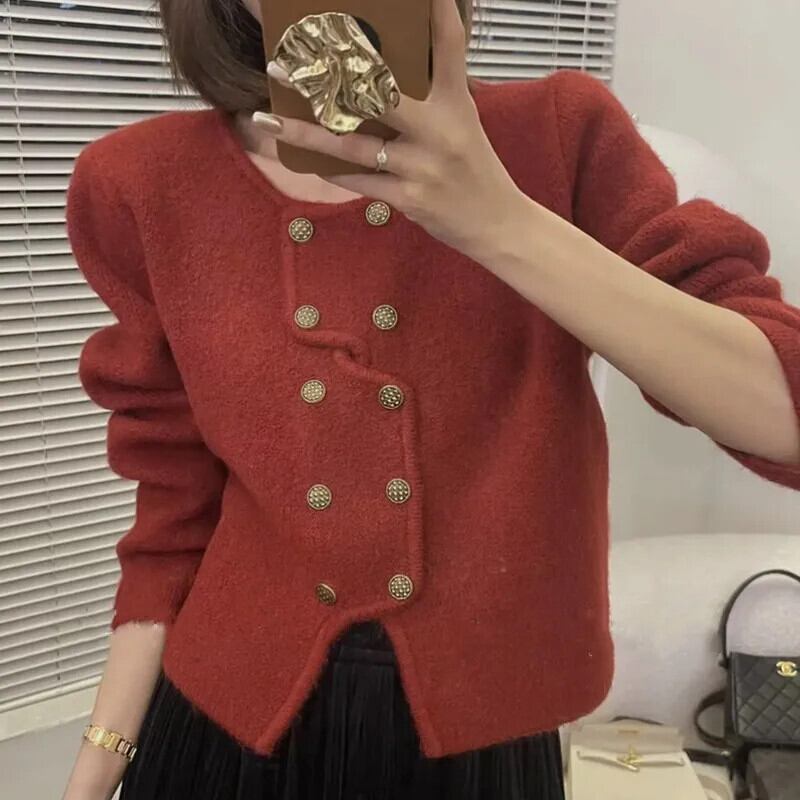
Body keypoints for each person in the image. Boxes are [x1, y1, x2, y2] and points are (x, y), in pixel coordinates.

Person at [62, 0, 800, 798]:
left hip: (480, 739)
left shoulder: (559, 135)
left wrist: (498, 220)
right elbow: (173, 513)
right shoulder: (142, 185)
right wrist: (101, 758)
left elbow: (782, 412)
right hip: (221, 724)